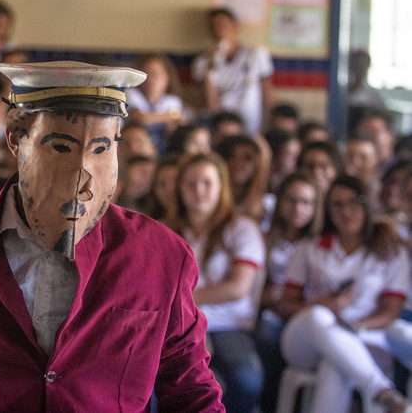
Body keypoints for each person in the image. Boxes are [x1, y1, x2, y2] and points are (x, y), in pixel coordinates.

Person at [0, 61, 224, 412]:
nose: (83, 179)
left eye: (102, 148)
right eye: (61, 147)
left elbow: (192, 394)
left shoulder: (161, 258)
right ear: (17, 139)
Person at [277, 176, 412, 413]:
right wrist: (328, 305)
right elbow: (285, 305)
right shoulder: (312, 247)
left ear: (367, 205)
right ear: (327, 209)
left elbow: (391, 313)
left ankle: (384, 395)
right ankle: (382, 391)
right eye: (337, 205)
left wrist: (356, 326)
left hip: (365, 336)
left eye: (354, 202)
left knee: (335, 364)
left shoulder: (389, 249)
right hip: (307, 339)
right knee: (319, 315)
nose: (346, 212)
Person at [172, 152, 265, 413]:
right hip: (180, 325)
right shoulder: (167, 229)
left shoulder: (242, 228)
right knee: (188, 387)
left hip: (228, 324)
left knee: (247, 381)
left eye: (207, 183)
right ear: (180, 188)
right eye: (191, 184)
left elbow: (238, 288)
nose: (199, 191)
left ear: (221, 187)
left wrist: (183, 297)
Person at [255, 173, 320, 413]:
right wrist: (272, 299)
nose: (298, 208)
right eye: (291, 200)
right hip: (270, 310)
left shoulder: (319, 243)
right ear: (280, 202)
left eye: (306, 202)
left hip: (306, 314)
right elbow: (254, 294)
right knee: (268, 332)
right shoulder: (265, 238)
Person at [192, 8, 274, 136]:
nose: (218, 31)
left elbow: (267, 93)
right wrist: (210, 65)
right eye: (213, 26)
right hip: (222, 126)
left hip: (251, 125)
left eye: (223, 25)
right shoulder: (202, 62)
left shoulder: (255, 54)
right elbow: (209, 105)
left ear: (235, 27)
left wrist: (271, 124)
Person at [126, 54, 184, 152]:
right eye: (145, 75)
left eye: (156, 74)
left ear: (167, 78)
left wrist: (156, 118)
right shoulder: (131, 94)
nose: (150, 80)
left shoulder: (172, 100)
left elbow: (178, 125)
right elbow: (141, 118)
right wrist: (171, 116)